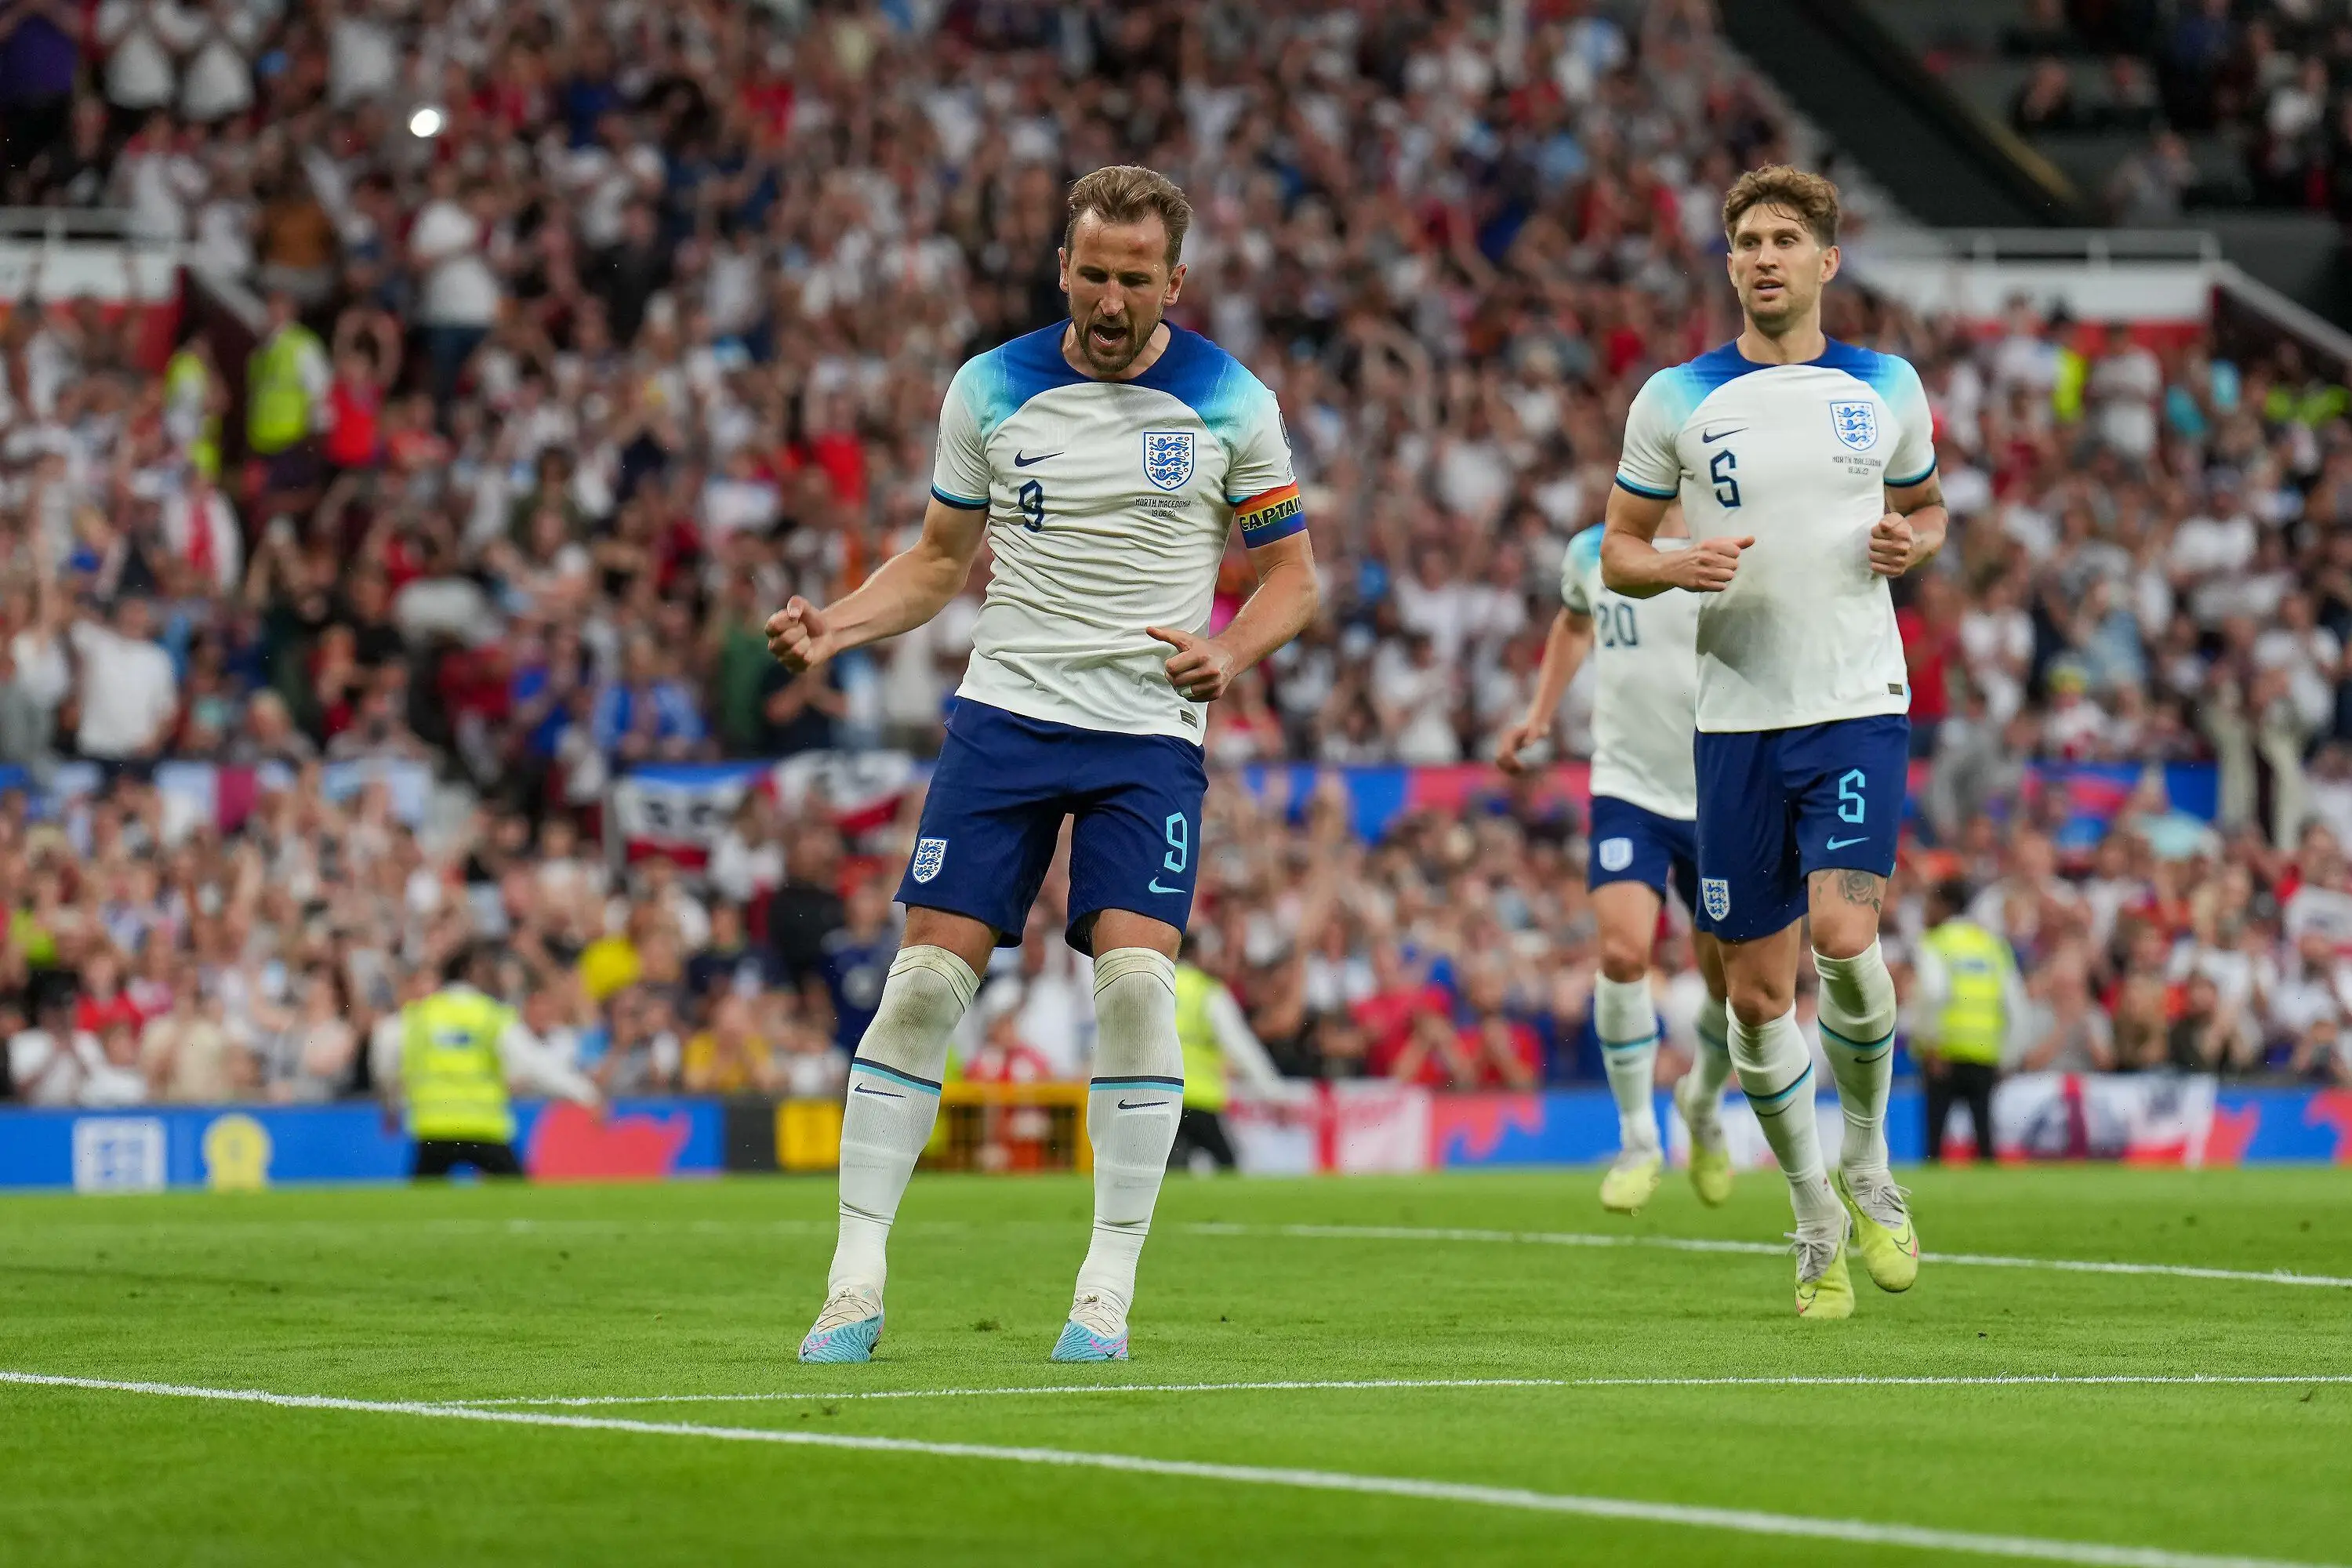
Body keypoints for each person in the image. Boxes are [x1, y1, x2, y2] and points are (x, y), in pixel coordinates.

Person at [769, 165, 1319, 1364]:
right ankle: (852, 1286)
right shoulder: (992, 386)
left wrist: (1228, 650)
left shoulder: (1231, 399)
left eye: (1136, 278)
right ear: (1062, 266)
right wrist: (839, 628)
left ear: (1174, 280)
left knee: (1132, 987)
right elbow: (933, 562)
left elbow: (1295, 579)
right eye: (1094, 273)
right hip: (1006, 717)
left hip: (1146, 731)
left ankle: (1104, 1296)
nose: (1112, 298)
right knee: (920, 986)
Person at [1602, 165, 1946, 1319]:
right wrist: (1674, 564)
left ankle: (1869, 1165)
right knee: (1754, 999)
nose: (1762, 256)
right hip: (1736, 720)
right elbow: (1619, 549)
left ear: (1826, 260)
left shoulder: (1887, 385)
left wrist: (1916, 541)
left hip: (1855, 701)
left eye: (1784, 239)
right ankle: (1811, 1220)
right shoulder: (1676, 397)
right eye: (1746, 239)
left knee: (1846, 938)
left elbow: (1930, 507)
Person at [1499, 504, 1737, 1214]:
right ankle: (1639, 1138)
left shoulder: (1724, 544)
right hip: (1627, 788)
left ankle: (1701, 1101)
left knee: (1733, 984)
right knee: (1625, 953)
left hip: (1721, 793)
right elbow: (1574, 622)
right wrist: (1542, 712)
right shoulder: (1594, 551)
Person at [373, 944, 604, 1178]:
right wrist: (585, 1094)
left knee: (420, 1207)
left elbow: (384, 1059)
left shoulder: (418, 1017)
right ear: (473, 974)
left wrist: (391, 1106)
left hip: (434, 1130)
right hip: (485, 1129)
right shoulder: (493, 1016)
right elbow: (534, 1064)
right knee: (521, 1203)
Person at [1912, 880, 2025, 1163]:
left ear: (1944, 906)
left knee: (1934, 1143)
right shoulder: (1992, 945)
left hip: (1945, 1053)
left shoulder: (1935, 943)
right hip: (1985, 1053)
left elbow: (1934, 993)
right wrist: (2008, 1054)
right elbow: (2015, 1004)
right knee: (1985, 1138)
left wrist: (1931, 1042)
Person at [1168, 936, 1287, 1173]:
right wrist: (1273, 1093)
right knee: (1228, 1165)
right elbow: (1241, 1047)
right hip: (1197, 1098)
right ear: (1197, 954)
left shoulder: (1157, 987)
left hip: (1159, 1095)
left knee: (1170, 1169)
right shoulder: (1206, 992)